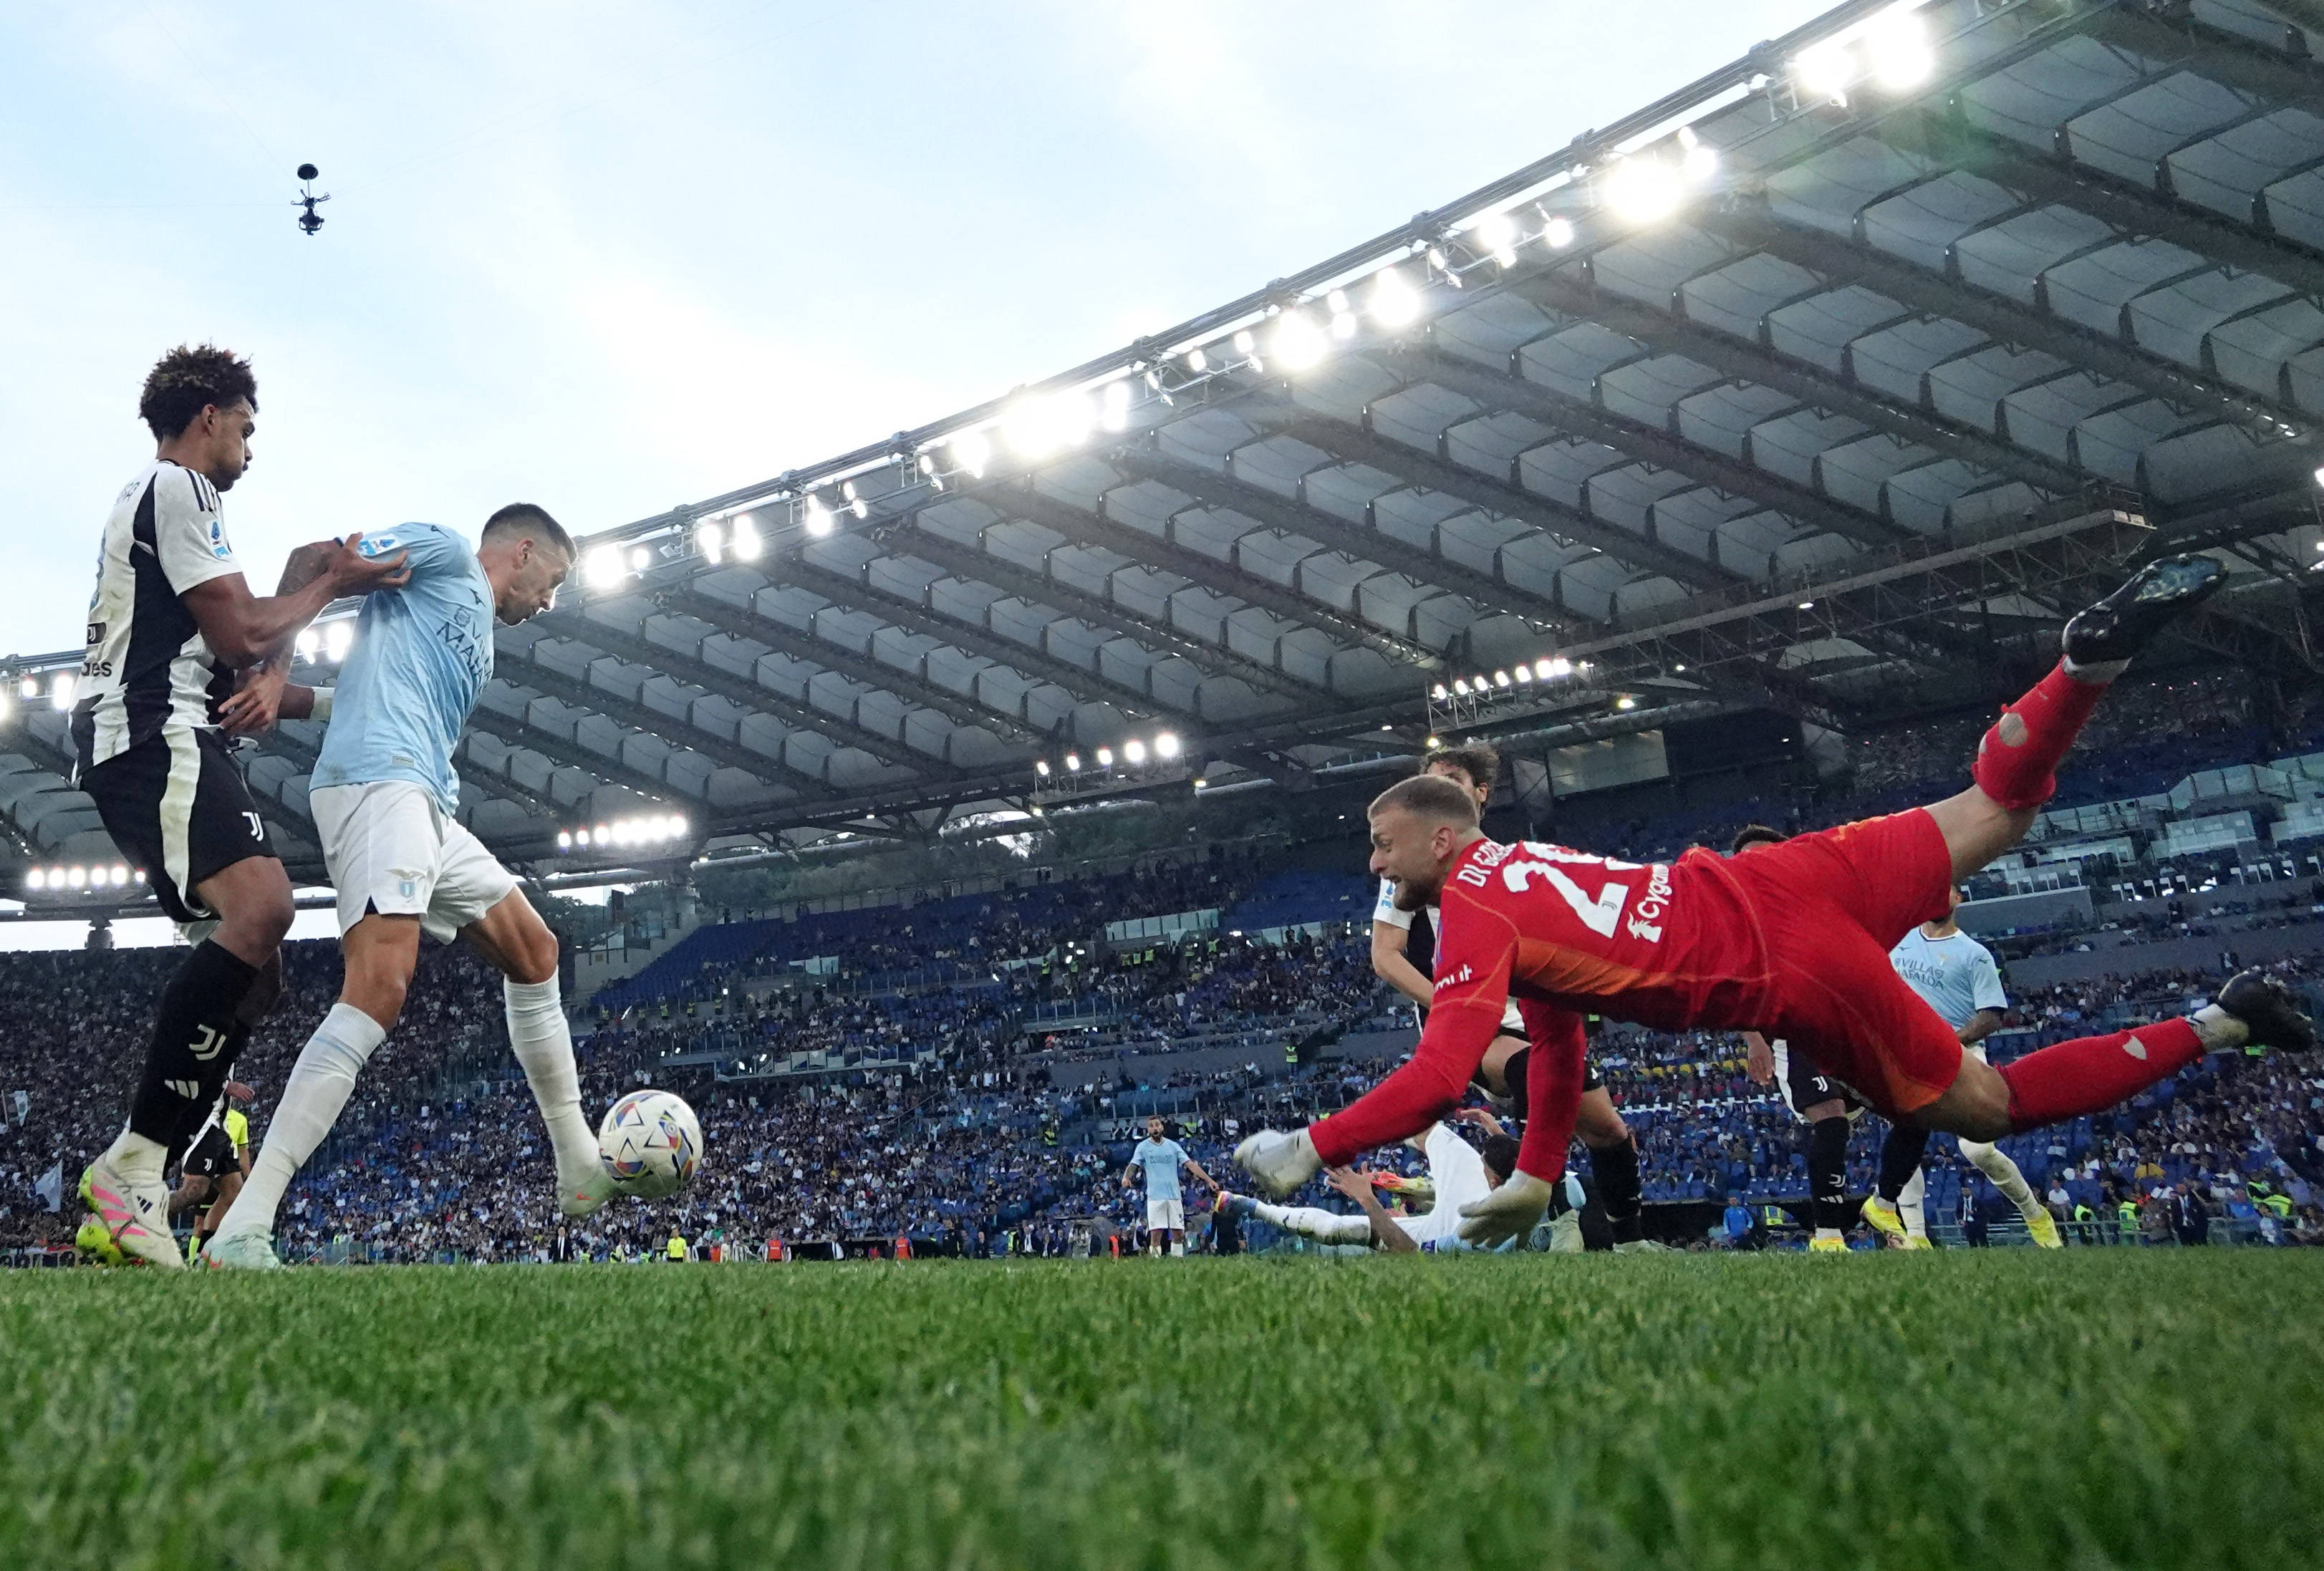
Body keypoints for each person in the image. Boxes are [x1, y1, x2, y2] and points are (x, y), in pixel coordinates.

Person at [1234, 557, 2315, 1247]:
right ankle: (2081, 667)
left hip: (1790, 970)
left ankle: (2218, 1019)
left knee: (1990, 1108)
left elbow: (1435, 1071)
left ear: (1437, 834)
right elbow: (1558, 1036)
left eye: (1381, 845)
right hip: (1784, 874)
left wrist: (1314, 1141)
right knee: (1995, 805)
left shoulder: (1468, 911)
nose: (1375, 864)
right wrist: (1534, 1169)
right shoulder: (1527, 865)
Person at [72, 344, 409, 1270]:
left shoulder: (180, 510)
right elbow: (244, 630)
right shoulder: (177, 489)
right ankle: (134, 1167)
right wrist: (330, 585)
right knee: (264, 907)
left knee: (256, 977)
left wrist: (322, 696)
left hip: (171, 731)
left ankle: (136, 1176)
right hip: (150, 733)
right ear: (210, 414)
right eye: (248, 427)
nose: (252, 447)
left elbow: (238, 662)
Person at [203, 505, 609, 1270]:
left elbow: (361, 688)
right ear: (521, 552)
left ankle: (579, 1164)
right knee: (379, 988)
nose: (548, 603)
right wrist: (274, 670)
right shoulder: (446, 552)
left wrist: (291, 700)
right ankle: (243, 1224)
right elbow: (310, 557)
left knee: (536, 950)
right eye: (551, 582)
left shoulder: (475, 639)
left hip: (426, 800)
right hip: (376, 784)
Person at [1369, 743, 1652, 1250]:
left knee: (1609, 1132)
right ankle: (1553, 1217)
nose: (1440, 790)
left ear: (1479, 794)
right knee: (1528, 1069)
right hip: (1469, 1025)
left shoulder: (1511, 862)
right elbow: (1385, 956)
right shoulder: (1409, 867)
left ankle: (1633, 1243)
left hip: (1534, 1018)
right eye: (1431, 782)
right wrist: (1454, 1005)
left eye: (1452, 779)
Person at [1857, 887, 2061, 1249]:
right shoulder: (1900, 940)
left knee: (1978, 1150)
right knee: (1907, 1133)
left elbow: (1992, 1016)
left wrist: (1950, 1041)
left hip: (1962, 1053)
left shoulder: (1974, 955)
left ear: (1958, 899)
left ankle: (2035, 1214)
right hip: (1908, 1055)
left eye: (1945, 891)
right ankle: (1915, 1237)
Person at [167, 1080, 255, 1261]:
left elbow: (244, 1152)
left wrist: (250, 1177)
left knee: (233, 1192)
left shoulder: (239, 1120)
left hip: (220, 1129)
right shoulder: (214, 1053)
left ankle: (204, 1256)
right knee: (194, 1191)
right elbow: (195, 1065)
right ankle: (143, 1218)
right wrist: (226, 1085)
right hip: (203, 1124)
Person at [1122, 1116, 1218, 1257]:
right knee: (1156, 1233)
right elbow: (1133, 1165)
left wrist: (1209, 1180)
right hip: (1155, 1196)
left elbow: (1190, 1164)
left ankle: (1177, 1259)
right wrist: (1126, 1177)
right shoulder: (1143, 1147)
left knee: (1178, 1231)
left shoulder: (1173, 1146)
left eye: (1157, 1125)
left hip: (1174, 1195)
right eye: (1151, 1126)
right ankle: (1155, 1261)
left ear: (1162, 1127)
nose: (1155, 1128)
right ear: (1148, 1129)